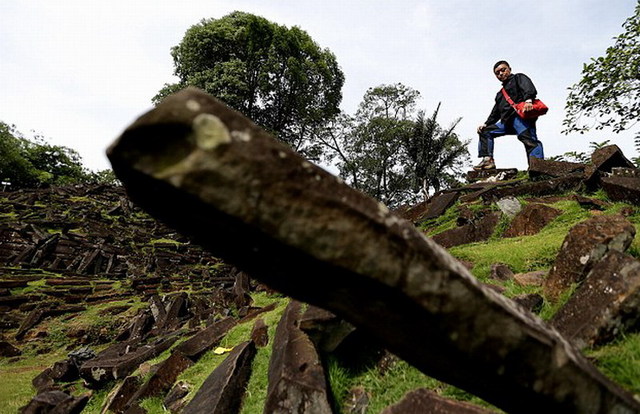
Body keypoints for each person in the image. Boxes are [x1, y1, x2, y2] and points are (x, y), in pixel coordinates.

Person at [474, 60, 544, 170]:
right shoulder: (500, 94)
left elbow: (528, 87)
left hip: (520, 119)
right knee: (485, 131)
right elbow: (495, 112)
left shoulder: (518, 78)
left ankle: (538, 167)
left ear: (509, 69)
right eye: (497, 73)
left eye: (503, 70)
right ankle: (488, 161)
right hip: (506, 122)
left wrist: (528, 101)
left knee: (529, 140)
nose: (501, 74)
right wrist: (486, 124)